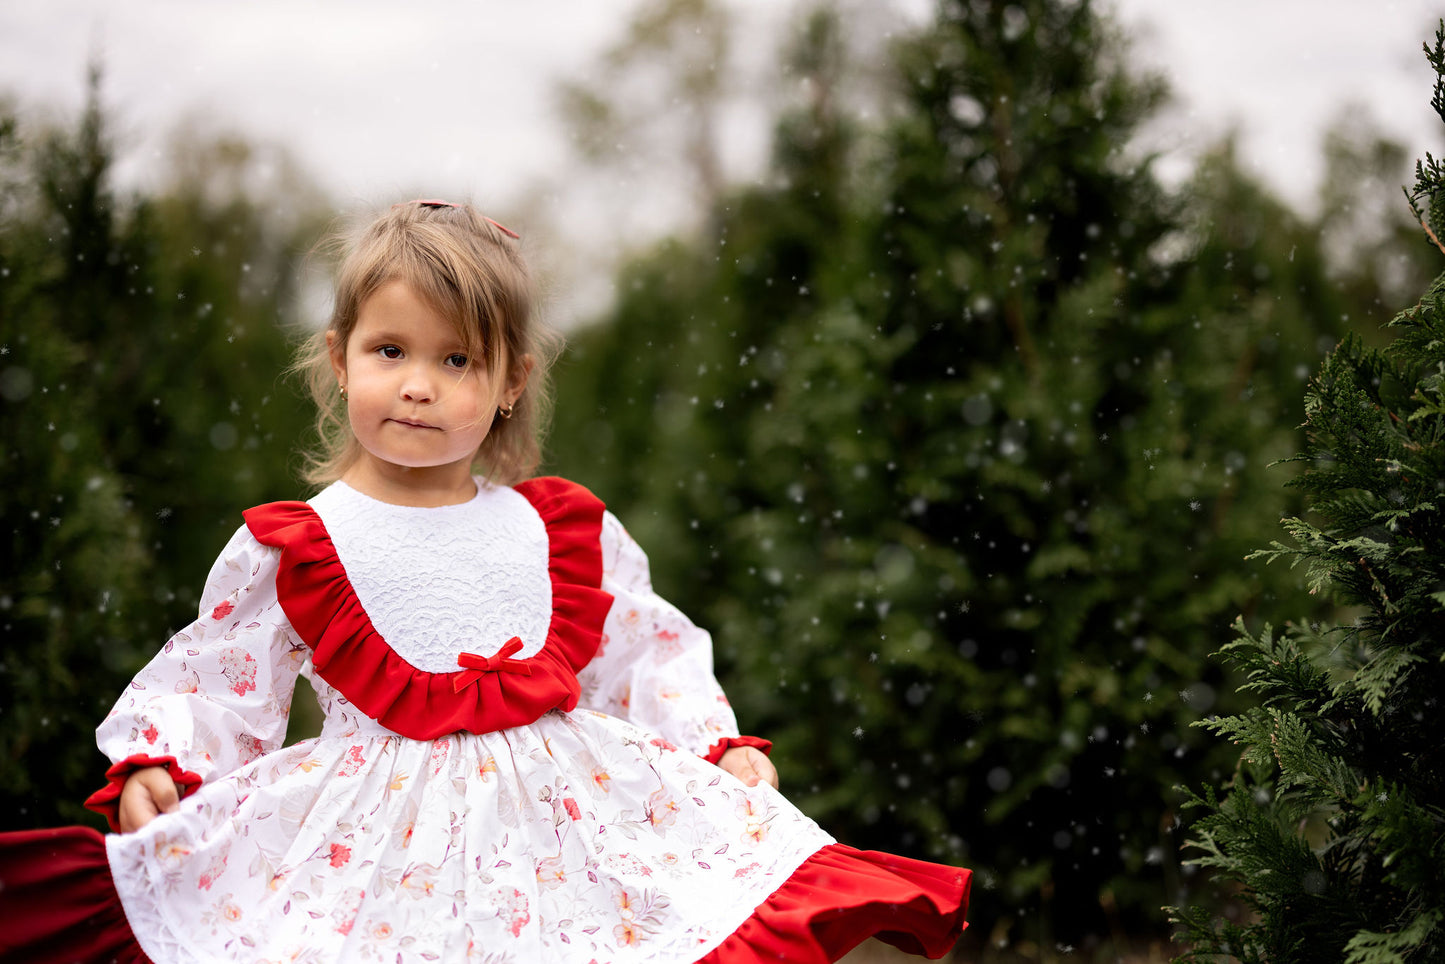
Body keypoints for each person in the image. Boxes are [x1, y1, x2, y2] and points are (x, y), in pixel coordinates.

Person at [0, 200, 969, 964]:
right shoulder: (299, 543)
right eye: (391, 351)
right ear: (339, 361)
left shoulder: (557, 530)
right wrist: (162, 759)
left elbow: (645, 650)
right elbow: (215, 672)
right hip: (378, 850)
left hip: (558, 837)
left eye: (456, 358)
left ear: (509, 380)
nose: (419, 383)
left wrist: (710, 744)